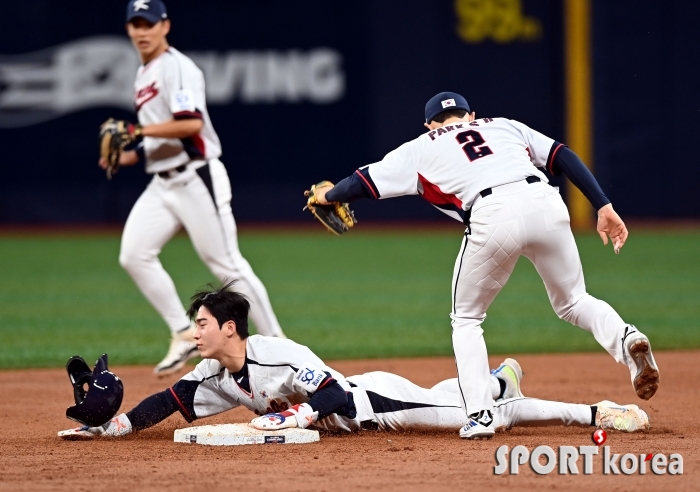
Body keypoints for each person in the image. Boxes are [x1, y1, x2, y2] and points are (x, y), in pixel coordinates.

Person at [308, 91, 659, 439]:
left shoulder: (422, 145)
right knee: (573, 300)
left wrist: (328, 195)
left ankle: (480, 414)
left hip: (493, 213)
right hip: (545, 202)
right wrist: (603, 205)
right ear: (471, 115)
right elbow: (562, 155)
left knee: (466, 319)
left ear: (430, 124)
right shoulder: (505, 126)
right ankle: (627, 338)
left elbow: (362, 182)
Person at [66, 282, 649, 439]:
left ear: (229, 328)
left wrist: (292, 418)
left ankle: (592, 412)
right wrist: (111, 427)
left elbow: (336, 397)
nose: (193, 334)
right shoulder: (215, 374)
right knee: (467, 398)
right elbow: (164, 404)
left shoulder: (278, 352)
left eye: (199, 325)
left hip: (375, 403)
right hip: (353, 415)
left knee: (483, 418)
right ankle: (494, 380)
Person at [98, 0, 285, 376]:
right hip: (162, 181)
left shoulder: (178, 68)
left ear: (165, 25)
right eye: (135, 24)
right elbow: (160, 135)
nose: (142, 31)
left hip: (196, 176)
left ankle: (280, 346)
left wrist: (136, 131)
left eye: (148, 23)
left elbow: (189, 125)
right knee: (134, 254)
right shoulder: (144, 72)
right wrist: (132, 155)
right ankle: (184, 332)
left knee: (226, 264)